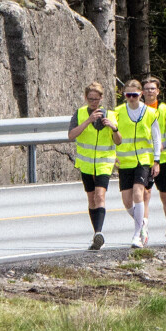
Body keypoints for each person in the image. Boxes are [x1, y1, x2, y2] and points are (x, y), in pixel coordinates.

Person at [68, 82, 121, 250]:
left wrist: (114, 128)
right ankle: (96, 233)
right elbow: (71, 135)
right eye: (90, 99)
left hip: (104, 163)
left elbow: (119, 140)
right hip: (86, 163)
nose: (93, 102)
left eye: (96, 99)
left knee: (100, 196)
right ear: (85, 98)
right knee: (91, 198)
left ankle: (99, 232)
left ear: (101, 98)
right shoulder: (80, 113)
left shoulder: (111, 115)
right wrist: (88, 121)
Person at [114, 79, 161, 248]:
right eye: (128, 95)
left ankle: (137, 236)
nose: (131, 98)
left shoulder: (149, 113)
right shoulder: (118, 112)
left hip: (143, 160)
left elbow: (156, 138)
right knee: (127, 201)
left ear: (140, 94)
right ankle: (143, 225)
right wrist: (113, 155)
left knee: (138, 193)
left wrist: (156, 161)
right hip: (125, 161)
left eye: (134, 95)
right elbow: (113, 135)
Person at [141, 77, 166, 244]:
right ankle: (143, 230)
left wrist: (163, 145)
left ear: (158, 91)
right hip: (145, 159)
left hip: (164, 159)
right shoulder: (138, 110)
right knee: (144, 195)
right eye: (147, 88)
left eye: (152, 89)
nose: (149, 91)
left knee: (165, 196)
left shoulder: (164, 110)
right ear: (142, 92)